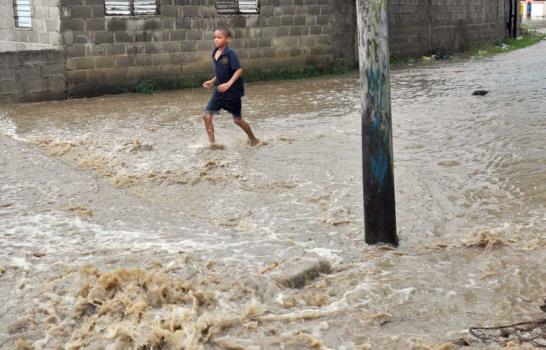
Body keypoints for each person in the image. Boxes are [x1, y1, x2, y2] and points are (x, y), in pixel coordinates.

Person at [202, 27, 260, 146]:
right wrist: (213, 81)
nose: (216, 40)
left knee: (237, 120)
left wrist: (229, 84)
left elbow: (238, 70)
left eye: (219, 37)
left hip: (232, 92)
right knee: (206, 116)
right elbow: (221, 72)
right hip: (219, 90)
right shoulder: (215, 52)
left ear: (228, 39)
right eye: (215, 37)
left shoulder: (230, 53)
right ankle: (212, 144)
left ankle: (253, 139)